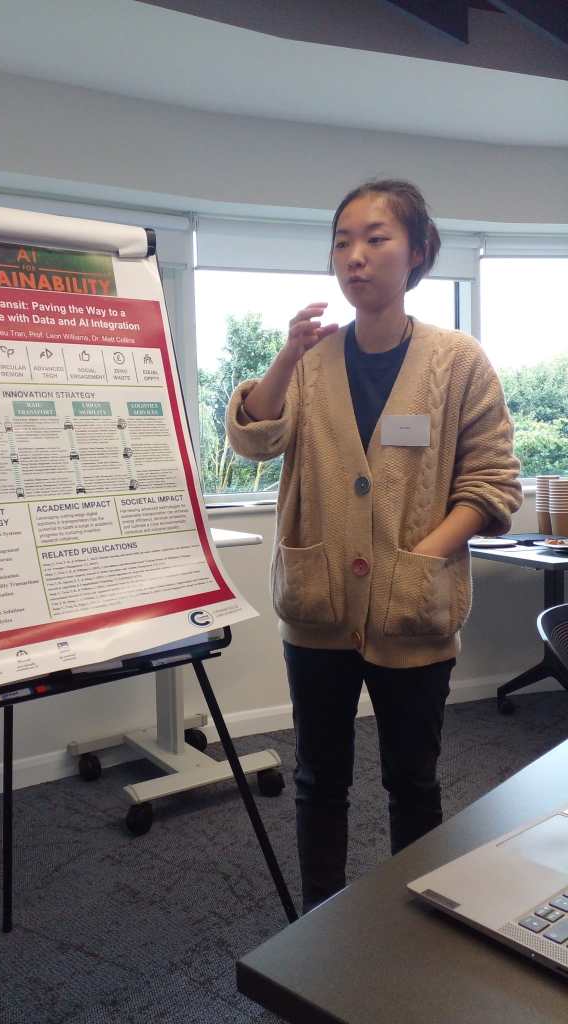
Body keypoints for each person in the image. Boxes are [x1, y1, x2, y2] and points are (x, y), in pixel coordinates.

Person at [225, 179, 522, 913]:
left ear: (417, 252)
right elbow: (254, 438)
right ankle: (317, 927)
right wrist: (286, 357)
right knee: (317, 778)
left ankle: (412, 928)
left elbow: (492, 483)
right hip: (319, 610)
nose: (354, 256)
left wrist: (421, 559)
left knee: (412, 781)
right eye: (342, 241)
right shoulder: (311, 360)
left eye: (375, 238)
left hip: (414, 615)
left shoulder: (458, 361)